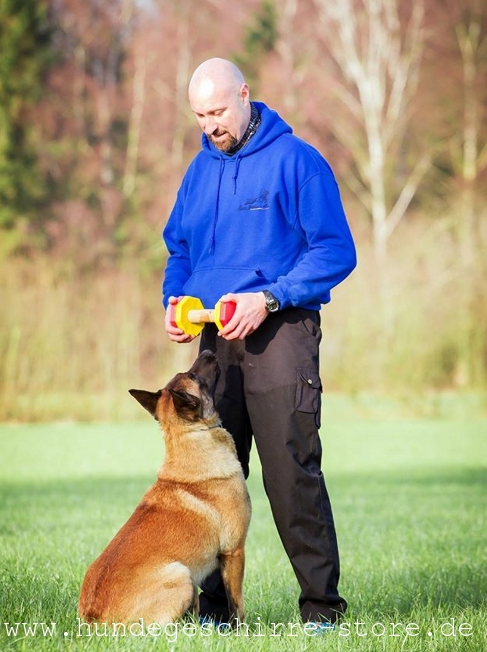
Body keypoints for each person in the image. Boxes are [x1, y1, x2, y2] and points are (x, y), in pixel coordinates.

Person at [162, 57, 356, 627]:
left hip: (281, 334)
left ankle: (321, 612)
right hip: (213, 343)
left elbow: (334, 250)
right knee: (213, 476)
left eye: (218, 111)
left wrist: (270, 297)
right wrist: (175, 301)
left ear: (245, 95)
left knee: (290, 473)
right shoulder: (198, 172)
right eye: (199, 116)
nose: (209, 126)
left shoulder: (298, 162)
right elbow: (179, 251)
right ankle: (216, 615)